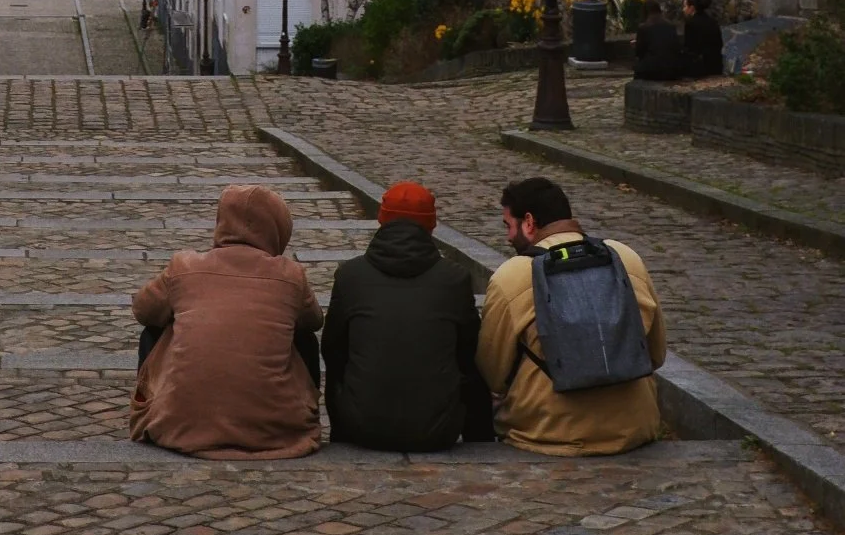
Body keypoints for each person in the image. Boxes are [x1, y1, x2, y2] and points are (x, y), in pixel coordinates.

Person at [476, 175, 667, 455]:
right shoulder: (626, 258)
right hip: (634, 428)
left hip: (547, 431)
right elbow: (656, 353)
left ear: (528, 222)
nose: (507, 236)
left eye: (509, 225)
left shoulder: (512, 276)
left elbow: (493, 374)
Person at [130, 182, 323, 456]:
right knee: (303, 337)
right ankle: (298, 411)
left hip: (179, 426)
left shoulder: (184, 266)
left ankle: (160, 403)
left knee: (157, 326)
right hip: (274, 430)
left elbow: (143, 310)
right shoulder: (291, 275)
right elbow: (314, 321)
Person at [321, 178, 491, 450]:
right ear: (431, 225)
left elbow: (332, 350)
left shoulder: (351, 275)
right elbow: (469, 354)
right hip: (438, 430)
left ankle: (339, 436)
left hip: (361, 427)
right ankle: (481, 439)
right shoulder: (454, 279)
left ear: (382, 219)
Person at [632, 0, 685, 80]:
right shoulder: (670, 26)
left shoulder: (644, 27)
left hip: (654, 69)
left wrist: (636, 45)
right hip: (673, 67)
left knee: (638, 66)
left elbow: (639, 52)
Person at [682, 0, 724, 77]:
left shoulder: (690, 23)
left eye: (685, 6)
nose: (683, 9)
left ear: (692, 8)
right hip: (716, 66)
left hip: (699, 68)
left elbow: (689, 47)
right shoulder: (713, 21)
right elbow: (719, 43)